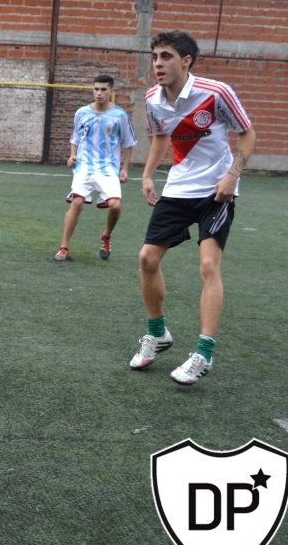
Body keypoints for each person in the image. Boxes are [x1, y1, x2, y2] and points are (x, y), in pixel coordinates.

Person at [128, 30, 255, 386]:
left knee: (208, 265)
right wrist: (148, 175)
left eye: (166, 56)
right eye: (155, 57)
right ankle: (158, 334)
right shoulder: (153, 98)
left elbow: (247, 134)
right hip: (179, 188)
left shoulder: (216, 93)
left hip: (217, 192)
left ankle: (204, 353)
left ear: (186, 61)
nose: (158, 64)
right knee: (147, 258)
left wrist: (232, 175)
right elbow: (160, 137)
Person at [54, 74, 137, 262]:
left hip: (108, 168)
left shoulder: (120, 115)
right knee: (77, 202)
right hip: (84, 166)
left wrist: (125, 169)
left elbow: (128, 143)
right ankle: (64, 247)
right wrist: (72, 155)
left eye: (103, 89)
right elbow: (75, 138)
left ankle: (106, 235)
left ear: (111, 91)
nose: (99, 93)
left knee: (115, 205)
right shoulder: (81, 113)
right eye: (96, 89)